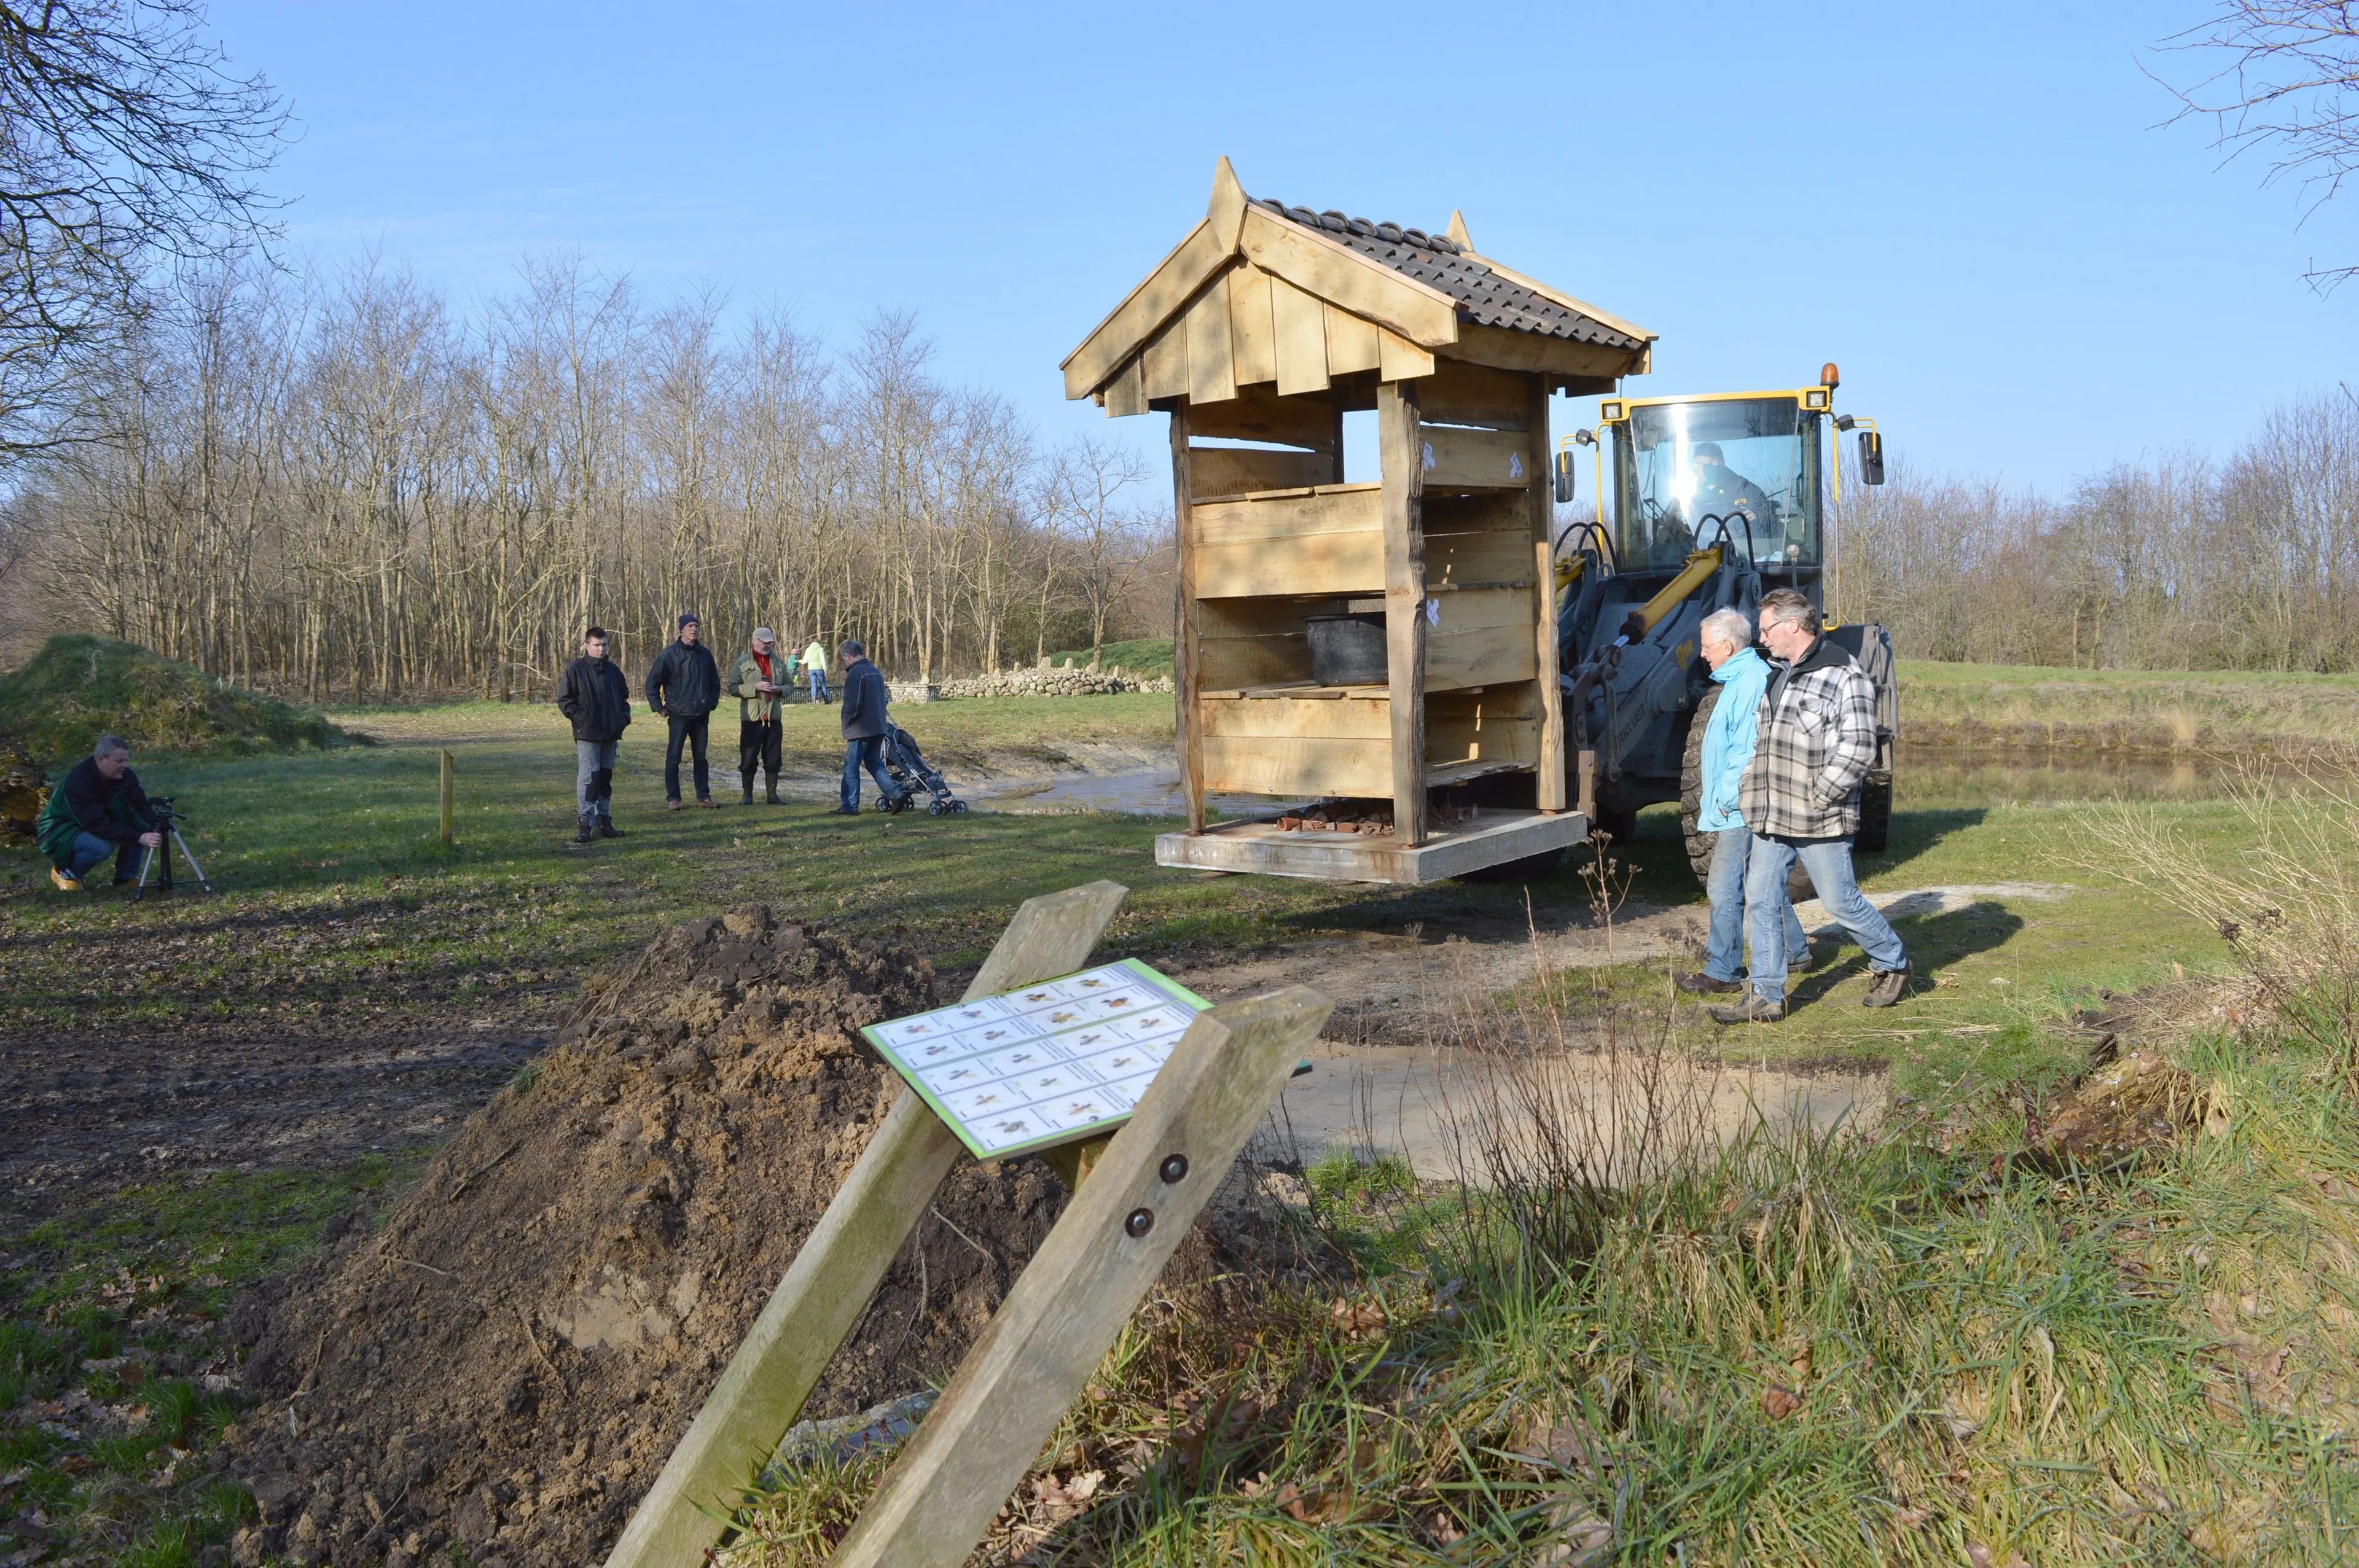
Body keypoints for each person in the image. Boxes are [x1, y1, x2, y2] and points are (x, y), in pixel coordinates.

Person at [1714, 587, 1910, 1023]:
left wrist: (1820, 795)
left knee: (1840, 902)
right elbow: (1763, 742)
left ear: (1792, 625)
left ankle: (1893, 961)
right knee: (1761, 898)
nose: (1762, 638)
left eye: (1766, 629)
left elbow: (1859, 747)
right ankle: (1766, 995)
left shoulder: (1845, 674)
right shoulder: (1778, 675)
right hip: (1772, 814)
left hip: (1819, 817)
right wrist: (1749, 786)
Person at [1676, 608, 1811, 997]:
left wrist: (1725, 798)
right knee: (1757, 884)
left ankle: (1723, 969)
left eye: (1706, 646)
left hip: (1737, 806)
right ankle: (1794, 951)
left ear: (1727, 645)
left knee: (1724, 888)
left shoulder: (1750, 681)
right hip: (1734, 803)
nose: (1702, 654)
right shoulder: (1736, 679)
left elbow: (1748, 749)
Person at [36, 735, 160, 890]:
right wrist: (138, 837)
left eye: (127, 760)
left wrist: (155, 827)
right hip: (61, 829)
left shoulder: (125, 776)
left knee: (139, 827)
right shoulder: (78, 782)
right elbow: (95, 823)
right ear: (102, 759)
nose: (125, 766)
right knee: (102, 848)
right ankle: (66, 874)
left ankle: (126, 878)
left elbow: (140, 807)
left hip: (95, 822)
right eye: (120, 761)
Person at [557, 625, 632, 844]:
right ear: (587, 646)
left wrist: (623, 719)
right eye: (597, 645)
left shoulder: (614, 671)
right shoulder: (575, 669)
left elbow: (624, 701)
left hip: (610, 733)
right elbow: (565, 701)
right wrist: (583, 719)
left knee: (605, 777)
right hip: (588, 733)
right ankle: (585, 822)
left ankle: (603, 819)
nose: (601, 649)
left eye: (604, 645)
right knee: (590, 778)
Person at [645, 612, 722, 809]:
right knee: (674, 758)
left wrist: (711, 703)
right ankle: (673, 798)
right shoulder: (669, 654)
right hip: (678, 714)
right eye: (690, 626)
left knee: (701, 758)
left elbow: (715, 683)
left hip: (701, 716)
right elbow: (653, 683)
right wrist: (659, 708)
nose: (694, 629)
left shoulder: (705, 655)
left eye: (696, 626)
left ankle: (703, 796)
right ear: (681, 629)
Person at [833, 638, 904, 814]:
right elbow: (884, 700)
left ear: (848, 657)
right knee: (874, 763)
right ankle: (895, 794)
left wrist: (847, 722)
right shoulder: (876, 672)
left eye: (844, 660)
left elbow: (853, 702)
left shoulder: (856, 674)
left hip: (860, 729)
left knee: (851, 767)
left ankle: (850, 806)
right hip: (879, 727)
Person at [730, 626, 787, 806]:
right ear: (755, 641)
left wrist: (779, 690)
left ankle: (772, 795)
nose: (769, 645)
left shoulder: (778, 662)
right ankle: (748, 795)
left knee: (774, 759)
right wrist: (755, 687)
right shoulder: (742, 662)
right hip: (752, 719)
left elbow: (790, 686)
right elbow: (733, 687)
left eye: (771, 642)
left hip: (773, 718)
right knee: (748, 759)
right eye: (765, 642)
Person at [802, 634, 831, 703]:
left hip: (811, 669)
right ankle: (826, 700)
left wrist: (801, 661)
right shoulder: (820, 649)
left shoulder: (808, 649)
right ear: (819, 643)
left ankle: (814, 700)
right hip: (819, 669)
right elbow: (823, 660)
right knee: (822, 684)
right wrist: (826, 669)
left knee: (813, 684)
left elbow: (805, 661)